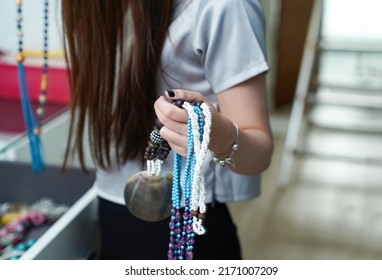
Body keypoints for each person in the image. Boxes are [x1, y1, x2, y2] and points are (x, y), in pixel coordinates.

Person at [61, 0, 274, 260]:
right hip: (110, 212)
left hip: (185, 225)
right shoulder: (95, 9)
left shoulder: (222, 6)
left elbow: (259, 153)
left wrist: (215, 134)